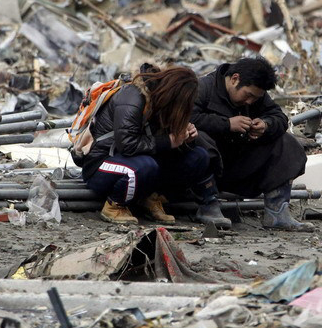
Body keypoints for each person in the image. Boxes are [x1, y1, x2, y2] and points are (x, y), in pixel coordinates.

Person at [76, 65, 231, 226]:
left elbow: (165, 148)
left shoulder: (163, 104)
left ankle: (151, 199)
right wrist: (169, 140)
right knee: (145, 166)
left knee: (198, 156)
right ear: (173, 95)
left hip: (140, 163)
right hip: (102, 163)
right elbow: (127, 145)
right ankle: (114, 206)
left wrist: (185, 137)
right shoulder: (132, 97)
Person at [191, 57, 311, 231]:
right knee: (198, 137)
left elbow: (279, 117)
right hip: (206, 171)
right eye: (248, 95)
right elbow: (185, 119)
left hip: (239, 165)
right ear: (234, 79)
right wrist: (227, 124)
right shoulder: (202, 88)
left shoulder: (256, 94)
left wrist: (266, 125)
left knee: (286, 142)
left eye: (255, 98)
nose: (250, 102)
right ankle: (208, 207)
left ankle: (277, 212)